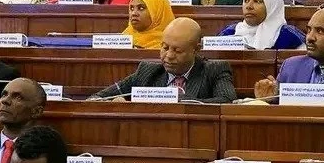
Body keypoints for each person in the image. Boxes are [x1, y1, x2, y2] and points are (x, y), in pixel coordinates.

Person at [93, 18, 238, 103]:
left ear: (196, 49)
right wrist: (116, 103)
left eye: (177, 50)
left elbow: (228, 101)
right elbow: (97, 98)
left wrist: (175, 98)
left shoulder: (214, 70)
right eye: (165, 47)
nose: (168, 55)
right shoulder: (148, 71)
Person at [219, 0, 304, 50]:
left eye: (257, 1)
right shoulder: (229, 32)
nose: (249, 6)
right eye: (246, 1)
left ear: (272, 5)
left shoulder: (289, 36)